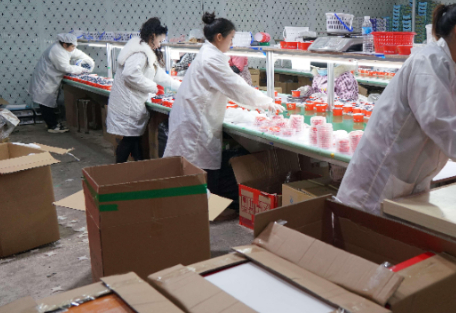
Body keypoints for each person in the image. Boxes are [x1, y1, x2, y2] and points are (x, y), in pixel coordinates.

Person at [337, 0, 456, 215]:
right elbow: (438, 121)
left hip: (407, 178)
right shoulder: (429, 61)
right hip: (378, 183)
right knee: (368, 230)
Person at [164, 12, 283, 196]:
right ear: (219, 37)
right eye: (231, 38)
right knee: (199, 174)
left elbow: (229, 87)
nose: (232, 43)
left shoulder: (210, 54)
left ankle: (201, 204)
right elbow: (235, 86)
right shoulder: (211, 59)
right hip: (195, 123)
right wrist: (266, 102)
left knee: (196, 173)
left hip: (193, 116)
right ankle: (202, 207)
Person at [107, 18, 180, 163]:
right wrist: (152, 87)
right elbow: (130, 74)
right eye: (160, 40)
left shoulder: (144, 51)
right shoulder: (140, 53)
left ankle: (138, 164)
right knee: (129, 139)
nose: (159, 44)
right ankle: (116, 170)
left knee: (133, 138)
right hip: (128, 104)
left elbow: (159, 75)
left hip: (131, 102)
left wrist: (181, 87)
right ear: (152, 36)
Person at [29, 33, 95, 133]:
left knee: (48, 102)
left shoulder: (64, 47)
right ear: (64, 44)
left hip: (51, 80)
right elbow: (65, 68)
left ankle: (51, 123)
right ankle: (52, 126)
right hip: (45, 81)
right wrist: (82, 69)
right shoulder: (56, 51)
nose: (74, 48)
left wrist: (89, 60)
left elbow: (76, 53)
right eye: (72, 46)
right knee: (45, 103)